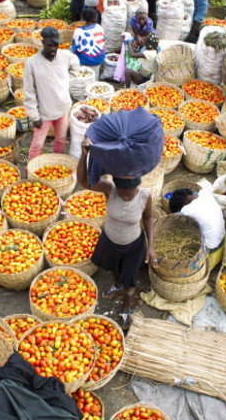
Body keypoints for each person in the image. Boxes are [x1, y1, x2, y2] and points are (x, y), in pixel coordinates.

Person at [77, 137, 156, 330]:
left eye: (131, 193)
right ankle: (117, 284)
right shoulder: (109, 189)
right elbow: (83, 181)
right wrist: (83, 154)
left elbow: (148, 218)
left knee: (130, 284)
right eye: (123, 193)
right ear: (116, 186)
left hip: (133, 245)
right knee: (113, 268)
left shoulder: (145, 196)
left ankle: (126, 308)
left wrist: (151, 246)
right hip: (110, 240)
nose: (127, 196)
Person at [23, 27, 80, 160]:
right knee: (37, 144)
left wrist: (68, 81)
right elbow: (29, 92)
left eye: (56, 44)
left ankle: (57, 163)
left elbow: (76, 63)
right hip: (44, 114)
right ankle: (30, 171)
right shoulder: (32, 63)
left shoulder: (65, 56)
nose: (54, 48)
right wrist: (34, 116)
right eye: (50, 45)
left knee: (61, 140)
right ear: (42, 43)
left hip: (63, 109)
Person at [169, 188, 226, 267]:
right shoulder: (205, 193)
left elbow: (171, 220)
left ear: (182, 205)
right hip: (221, 238)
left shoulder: (187, 210)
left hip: (211, 246)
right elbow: (195, 193)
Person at [71, 8, 105, 74]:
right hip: (99, 59)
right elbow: (103, 41)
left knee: (71, 50)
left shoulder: (78, 31)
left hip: (85, 61)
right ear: (93, 18)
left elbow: (74, 49)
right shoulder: (99, 27)